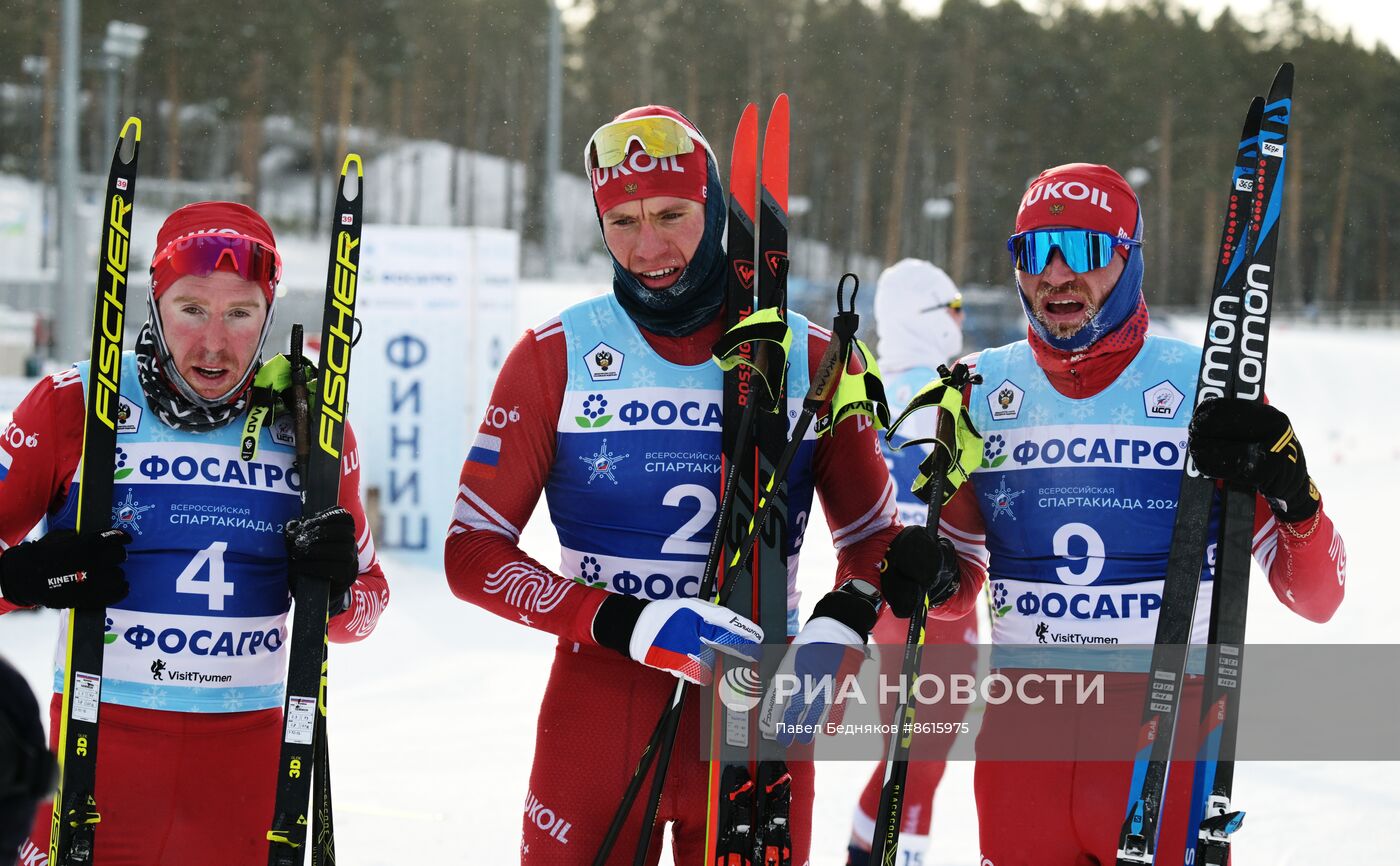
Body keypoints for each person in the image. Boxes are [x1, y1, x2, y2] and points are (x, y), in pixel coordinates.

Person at [444, 105, 921, 865]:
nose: (649, 246)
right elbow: (471, 553)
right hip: (599, 706)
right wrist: (625, 622)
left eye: (673, 214)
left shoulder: (818, 357)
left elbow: (874, 543)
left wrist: (842, 623)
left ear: (717, 210)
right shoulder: (555, 354)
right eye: (623, 221)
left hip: (759, 709)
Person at [879, 163, 1345, 865]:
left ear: (1131, 258)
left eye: (1087, 249)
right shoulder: (977, 388)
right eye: (1034, 252)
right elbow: (963, 576)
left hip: (1165, 748)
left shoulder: (1206, 386)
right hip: (1020, 758)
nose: (1057, 275)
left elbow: (1318, 598)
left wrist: (1295, 495)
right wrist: (935, 580)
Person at [0, 201, 389, 865]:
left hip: (248, 782)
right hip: (95, 763)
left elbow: (365, 611)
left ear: (268, 315)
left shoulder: (308, 425)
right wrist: (28, 574)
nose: (214, 342)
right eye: (191, 308)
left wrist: (338, 585)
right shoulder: (76, 404)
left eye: (240, 313)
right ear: (154, 303)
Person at [844, 259, 980, 866]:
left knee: (905, 749)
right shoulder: (950, 393)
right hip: (940, 600)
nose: (960, 322)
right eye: (952, 310)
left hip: (880, 596)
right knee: (920, 758)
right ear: (925, 318)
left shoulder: (868, 384)